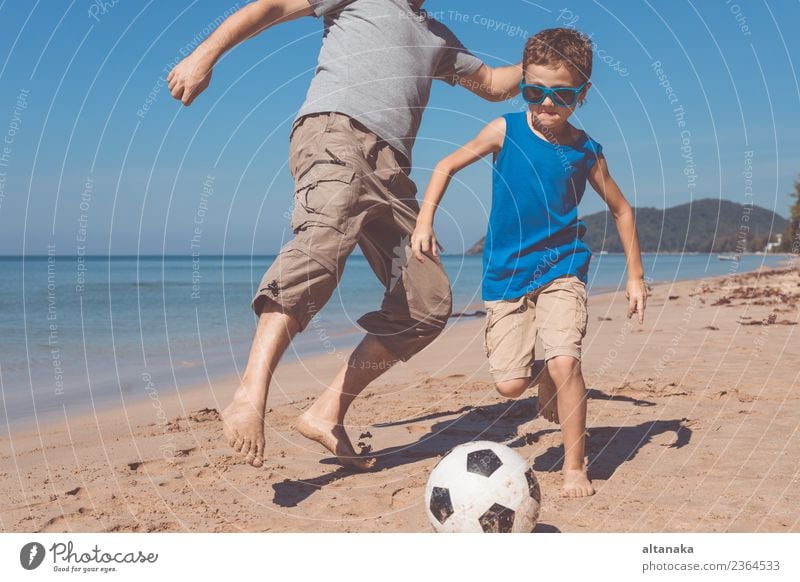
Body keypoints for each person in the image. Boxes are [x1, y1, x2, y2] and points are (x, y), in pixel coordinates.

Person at [168, 0, 523, 469]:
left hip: (394, 171)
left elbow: (494, 85)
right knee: (320, 246)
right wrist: (205, 54)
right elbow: (272, 6)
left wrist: (542, 62)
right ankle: (251, 393)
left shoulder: (438, 38)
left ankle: (326, 412)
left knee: (427, 304)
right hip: (337, 135)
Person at [411, 27, 647, 497]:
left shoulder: (586, 151)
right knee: (510, 386)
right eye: (533, 91)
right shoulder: (505, 130)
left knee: (566, 360)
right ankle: (541, 377)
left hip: (563, 266)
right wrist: (424, 221)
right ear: (522, 84)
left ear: (583, 93)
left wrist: (635, 276)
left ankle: (575, 466)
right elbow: (444, 166)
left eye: (560, 95)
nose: (545, 104)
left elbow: (621, 209)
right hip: (505, 274)